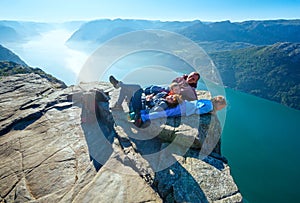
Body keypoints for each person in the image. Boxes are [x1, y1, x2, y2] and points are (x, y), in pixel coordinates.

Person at [140, 95, 227, 122]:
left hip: (185, 104)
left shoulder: (208, 101)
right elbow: (197, 111)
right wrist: (208, 112)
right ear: (218, 104)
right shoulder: (210, 107)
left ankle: (143, 112)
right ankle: (144, 117)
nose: (221, 109)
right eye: (221, 107)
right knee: (164, 113)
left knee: (166, 110)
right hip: (185, 110)